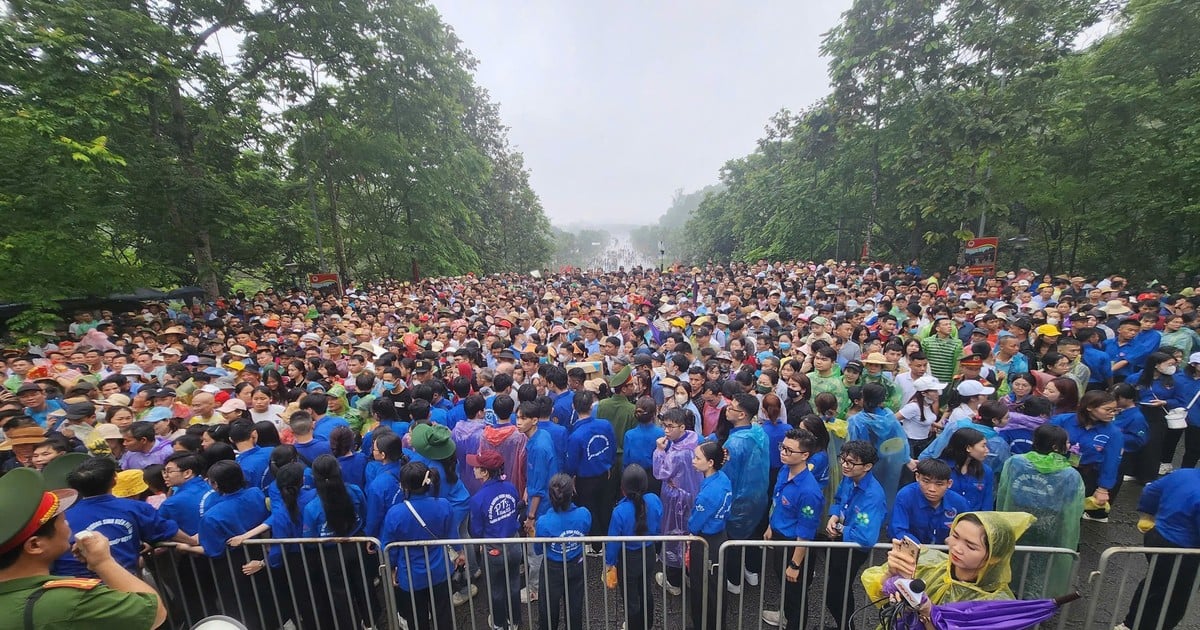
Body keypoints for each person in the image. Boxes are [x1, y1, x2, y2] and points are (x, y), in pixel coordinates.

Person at [0, 467, 167, 629]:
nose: (67, 524)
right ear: (35, 545)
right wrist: (103, 562)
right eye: (62, 521)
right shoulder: (71, 602)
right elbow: (154, 614)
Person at [863, 511, 1038, 622]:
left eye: (970, 546)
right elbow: (883, 598)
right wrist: (891, 576)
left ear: (994, 557)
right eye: (955, 535)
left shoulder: (1000, 604)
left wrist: (929, 614)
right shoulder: (927, 561)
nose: (957, 548)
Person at [996, 424, 1084, 598]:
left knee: (1012, 560)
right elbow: (1072, 507)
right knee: (1039, 565)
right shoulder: (1069, 474)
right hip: (1049, 524)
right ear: (1055, 446)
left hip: (1016, 519)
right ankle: (1031, 601)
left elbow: (1004, 491)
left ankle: (1006, 597)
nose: (1069, 445)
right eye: (1066, 442)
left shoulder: (1015, 462)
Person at [1117, 468, 1200, 630]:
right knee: (1177, 596)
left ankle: (1130, 624)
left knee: (1154, 582)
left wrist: (1147, 515)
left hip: (1157, 536)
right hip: (1183, 551)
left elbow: (1151, 490)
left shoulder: (1182, 474)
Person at [760, 429, 824, 630]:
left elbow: (806, 531)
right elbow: (777, 500)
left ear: (805, 455)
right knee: (786, 588)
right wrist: (771, 525)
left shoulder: (809, 492)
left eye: (789, 450)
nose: (783, 453)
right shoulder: (784, 470)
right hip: (780, 537)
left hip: (795, 547)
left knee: (796, 595)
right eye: (782, 447)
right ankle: (785, 616)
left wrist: (795, 564)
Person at [383, 461, 458, 630]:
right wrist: (460, 552)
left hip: (411, 575)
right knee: (443, 615)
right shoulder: (444, 505)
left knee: (417, 619)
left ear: (403, 485)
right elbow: (451, 534)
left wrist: (392, 568)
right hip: (440, 570)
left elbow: (389, 547)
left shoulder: (395, 513)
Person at [825, 440, 886, 629]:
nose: (844, 465)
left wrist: (841, 529)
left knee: (837, 593)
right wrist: (834, 515)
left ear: (867, 466)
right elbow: (838, 497)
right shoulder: (849, 478)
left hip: (852, 550)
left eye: (850, 462)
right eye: (843, 459)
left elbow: (866, 537)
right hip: (841, 541)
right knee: (836, 591)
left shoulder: (872, 496)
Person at [719, 392, 770, 593]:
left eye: (731, 407)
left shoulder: (734, 444)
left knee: (733, 543)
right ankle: (753, 572)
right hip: (759, 497)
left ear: (742, 415)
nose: (727, 410)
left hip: (739, 501)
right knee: (753, 538)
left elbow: (727, 477)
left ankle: (734, 582)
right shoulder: (760, 433)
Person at [466, 450, 521, 630]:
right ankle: (515, 621)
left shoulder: (477, 499)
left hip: (493, 549)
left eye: (477, 467)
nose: (474, 469)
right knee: (514, 585)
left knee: (496, 589)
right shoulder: (511, 487)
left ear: (485, 472)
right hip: (514, 544)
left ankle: (499, 623)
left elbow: (476, 529)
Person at [604, 464, 662, 630]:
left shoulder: (620, 511)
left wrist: (610, 563)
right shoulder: (654, 500)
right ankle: (647, 625)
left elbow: (613, 542)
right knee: (646, 590)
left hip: (629, 559)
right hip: (649, 553)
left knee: (631, 598)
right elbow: (658, 526)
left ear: (623, 489)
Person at [1052, 390, 1124, 523]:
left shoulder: (1113, 433)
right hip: (1058, 470)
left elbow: (1111, 462)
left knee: (1072, 512)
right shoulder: (1062, 421)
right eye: (1108, 409)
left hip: (1087, 475)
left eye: (1115, 410)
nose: (1112, 414)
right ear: (1089, 407)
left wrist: (1103, 488)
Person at [652, 408, 701, 596]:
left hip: (676, 500)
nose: (666, 430)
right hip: (692, 495)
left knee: (674, 538)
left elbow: (660, 472)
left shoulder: (677, 453)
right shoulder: (694, 439)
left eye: (670, 427)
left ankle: (674, 581)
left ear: (682, 427)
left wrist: (659, 451)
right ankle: (688, 573)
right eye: (664, 426)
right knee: (688, 538)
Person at [685, 440, 730, 630]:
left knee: (702, 588)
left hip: (706, 542)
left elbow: (694, 524)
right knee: (716, 588)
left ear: (711, 462)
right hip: (720, 536)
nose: (693, 461)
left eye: (697, 458)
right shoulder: (723, 479)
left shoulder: (708, 494)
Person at [536, 474, 590, 630]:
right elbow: (585, 531)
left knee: (548, 609)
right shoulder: (584, 514)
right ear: (571, 493)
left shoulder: (544, 522)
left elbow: (538, 549)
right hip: (576, 564)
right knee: (574, 608)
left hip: (552, 568)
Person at [890, 458, 970, 546]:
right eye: (926, 481)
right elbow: (898, 531)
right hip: (912, 552)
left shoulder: (959, 503)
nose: (932, 489)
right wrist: (921, 550)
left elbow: (968, 533)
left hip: (947, 553)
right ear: (917, 477)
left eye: (939, 484)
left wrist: (954, 539)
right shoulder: (905, 496)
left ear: (949, 483)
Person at [940, 427, 994, 511]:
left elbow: (987, 504)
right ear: (968, 448)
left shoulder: (986, 471)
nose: (987, 450)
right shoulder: (940, 469)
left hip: (974, 521)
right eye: (983, 446)